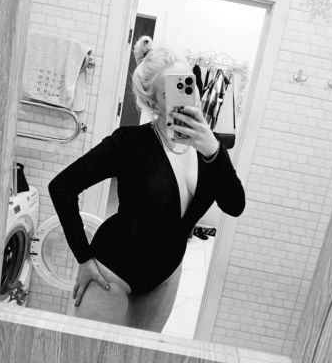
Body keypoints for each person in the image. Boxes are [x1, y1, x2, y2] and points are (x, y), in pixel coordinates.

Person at [48, 35, 246, 332]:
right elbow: (62, 187)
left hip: (164, 277)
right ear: (153, 102)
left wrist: (212, 149)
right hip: (111, 273)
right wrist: (83, 257)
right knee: (89, 352)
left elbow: (234, 205)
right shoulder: (129, 142)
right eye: (171, 91)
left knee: (140, 354)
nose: (186, 95)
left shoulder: (210, 148)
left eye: (188, 83)